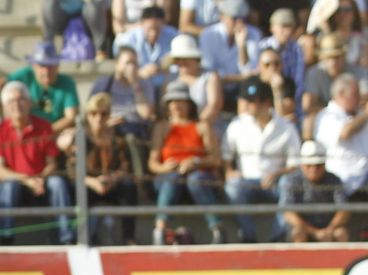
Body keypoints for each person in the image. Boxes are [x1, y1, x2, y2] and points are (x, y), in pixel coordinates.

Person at [0, 80, 74, 244]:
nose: (17, 104)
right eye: (11, 101)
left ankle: (66, 237)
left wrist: (40, 179)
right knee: (8, 185)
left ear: (29, 103)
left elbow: (52, 163)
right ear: (5, 106)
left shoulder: (44, 127)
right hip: (16, 184)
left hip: (41, 181)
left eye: (21, 99)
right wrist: (26, 180)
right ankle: (6, 238)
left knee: (57, 183)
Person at [223, 78, 298, 241]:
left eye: (253, 101)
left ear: (266, 103)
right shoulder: (237, 125)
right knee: (232, 186)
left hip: (276, 184)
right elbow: (226, 157)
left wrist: (276, 174)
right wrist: (229, 171)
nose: (248, 105)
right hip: (247, 183)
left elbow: (295, 165)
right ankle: (248, 234)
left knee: (288, 184)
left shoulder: (286, 127)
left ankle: (278, 235)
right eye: (248, 101)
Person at [149, 81, 224, 242]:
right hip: (169, 176)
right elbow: (152, 163)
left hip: (198, 175)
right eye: (173, 101)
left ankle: (217, 228)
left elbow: (215, 159)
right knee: (172, 178)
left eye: (181, 100)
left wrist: (195, 162)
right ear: (168, 105)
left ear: (189, 104)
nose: (177, 105)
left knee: (195, 180)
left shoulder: (202, 126)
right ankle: (160, 229)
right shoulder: (162, 127)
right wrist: (166, 167)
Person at [76, 92, 138, 244]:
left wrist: (112, 179)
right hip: (89, 185)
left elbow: (126, 167)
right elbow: (72, 169)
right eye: (93, 113)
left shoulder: (118, 138)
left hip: (112, 184)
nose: (98, 118)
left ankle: (128, 238)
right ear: (87, 115)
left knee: (129, 187)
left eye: (103, 114)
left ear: (109, 115)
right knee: (74, 189)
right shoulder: (80, 137)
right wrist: (92, 181)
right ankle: (79, 238)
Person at [3, 41, 80, 149]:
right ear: (33, 66)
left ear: (57, 65)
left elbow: (71, 117)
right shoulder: (24, 75)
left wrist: (45, 132)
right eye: (42, 65)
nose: (46, 70)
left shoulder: (67, 83)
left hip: (55, 133)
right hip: (26, 131)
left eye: (50, 65)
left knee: (71, 138)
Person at [309, 72, 368, 202]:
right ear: (340, 94)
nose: (360, 99)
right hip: (344, 179)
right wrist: (365, 114)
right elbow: (345, 133)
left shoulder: (360, 114)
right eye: (355, 94)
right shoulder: (326, 116)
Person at [277, 138, 348, 240]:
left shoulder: (334, 180)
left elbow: (344, 209)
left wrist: (330, 229)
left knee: (340, 233)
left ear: (324, 165)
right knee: (298, 234)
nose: (314, 170)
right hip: (303, 227)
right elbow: (288, 212)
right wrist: (313, 231)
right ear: (302, 165)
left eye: (318, 166)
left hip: (328, 227)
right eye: (309, 166)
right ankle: (299, 256)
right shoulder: (292, 180)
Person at [301, 33, 364, 139]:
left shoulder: (358, 71)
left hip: (355, 113)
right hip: (326, 115)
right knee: (308, 121)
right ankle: (311, 150)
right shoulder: (315, 73)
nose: (333, 62)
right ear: (322, 57)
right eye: (329, 57)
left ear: (344, 56)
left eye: (337, 57)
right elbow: (307, 106)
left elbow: (364, 99)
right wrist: (333, 110)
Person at [163, 32, 223, 126]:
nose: (181, 62)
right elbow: (164, 107)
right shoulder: (171, 78)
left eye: (186, 58)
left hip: (206, 127)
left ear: (195, 58)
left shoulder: (210, 76)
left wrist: (195, 127)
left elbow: (214, 105)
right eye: (178, 59)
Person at [115, 4, 178, 90]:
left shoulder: (174, 37)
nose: (153, 33)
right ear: (141, 24)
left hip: (167, 85)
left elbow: (179, 67)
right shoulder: (128, 39)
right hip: (137, 85)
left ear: (164, 24)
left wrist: (162, 70)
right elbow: (121, 68)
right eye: (150, 29)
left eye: (157, 28)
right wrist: (139, 73)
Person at [200, 0, 260, 91]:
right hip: (213, 89)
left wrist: (241, 46)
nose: (239, 23)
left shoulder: (254, 34)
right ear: (222, 17)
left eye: (243, 19)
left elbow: (249, 71)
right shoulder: (208, 35)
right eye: (234, 18)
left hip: (241, 89)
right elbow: (208, 72)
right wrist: (240, 78)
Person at [257, 8, 304, 92]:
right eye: (283, 27)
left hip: (287, 93)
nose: (287, 31)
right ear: (272, 28)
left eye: (290, 27)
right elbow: (256, 73)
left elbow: (298, 79)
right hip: (264, 92)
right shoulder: (262, 46)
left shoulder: (297, 49)